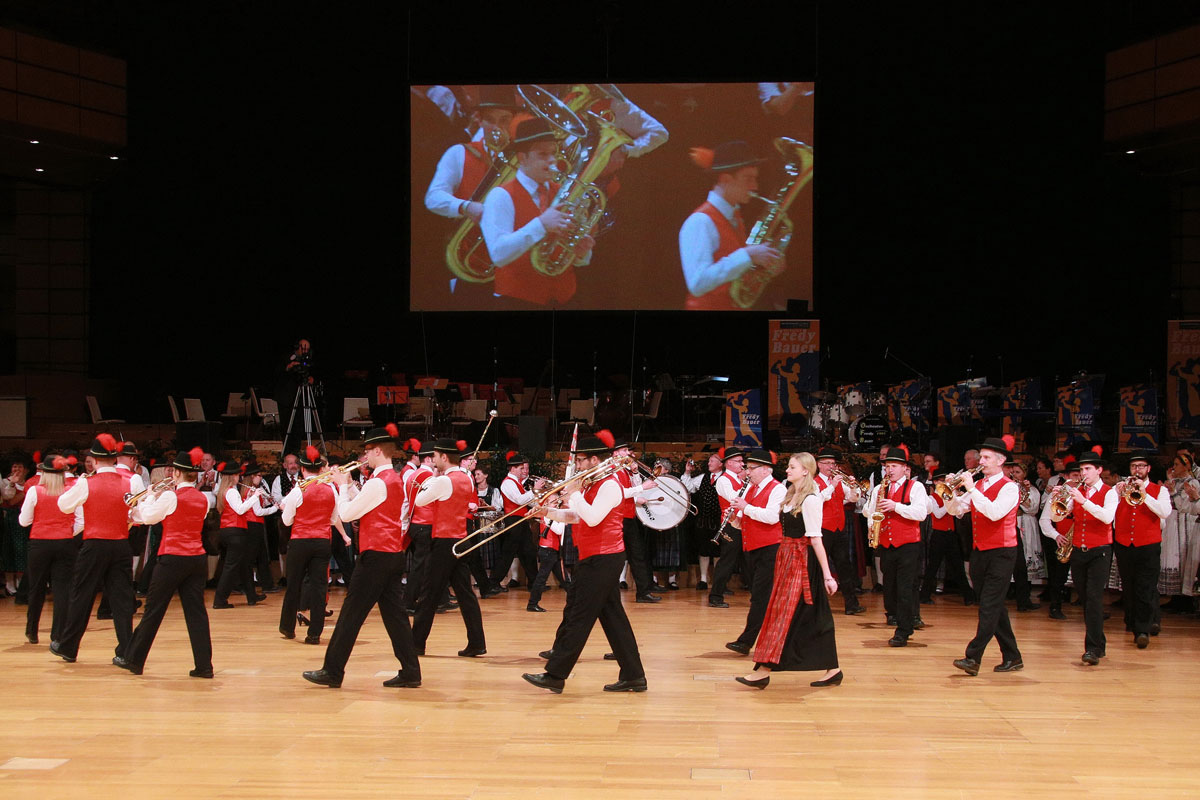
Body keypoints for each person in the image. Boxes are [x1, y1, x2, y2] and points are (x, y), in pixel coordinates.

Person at [522, 431, 646, 694]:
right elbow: (577, 517)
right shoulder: (590, 484)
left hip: (604, 557)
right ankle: (634, 675)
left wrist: (573, 493)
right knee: (613, 618)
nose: (576, 465)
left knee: (579, 615)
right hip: (594, 556)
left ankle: (555, 674)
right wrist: (548, 511)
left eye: (579, 461)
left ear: (593, 460)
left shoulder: (610, 484)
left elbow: (592, 517)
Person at [303, 425, 422, 689]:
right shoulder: (393, 479)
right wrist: (352, 488)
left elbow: (346, 515)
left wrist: (342, 487)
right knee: (395, 617)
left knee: (350, 615)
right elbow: (372, 506)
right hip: (391, 554)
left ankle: (332, 671)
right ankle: (411, 671)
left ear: (378, 451)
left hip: (375, 556)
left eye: (367, 451)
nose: (364, 456)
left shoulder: (379, 482)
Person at [736, 453, 840, 689]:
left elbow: (815, 539)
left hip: (802, 562)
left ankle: (764, 669)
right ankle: (832, 668)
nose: (787, 470)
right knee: (806, 616)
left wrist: (827, 575)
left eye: (792, 467)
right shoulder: (791, 495)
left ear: (806, 470)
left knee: (788, 614)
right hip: (787, 558)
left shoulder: (811, 499)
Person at [114, 447, 214, 678]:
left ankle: (134, 660)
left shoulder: (170, 496)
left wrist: (148, 495)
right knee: (196, 613)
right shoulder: (203, 498)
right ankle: (204, 666)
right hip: (197, 559)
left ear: (177, 473)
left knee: (154, 611)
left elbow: (149, 517)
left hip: (172, 559)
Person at [480, 117, 594, 307]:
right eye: (542, 154)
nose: (552, 161)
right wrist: (541, 224)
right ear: (522, 158)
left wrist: (582, 253)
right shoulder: (500, 196)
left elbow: (577, 258)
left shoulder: (564, 193)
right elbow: (498, 255)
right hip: (516, 302)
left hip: (565, 299)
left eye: (553, 153)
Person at [51, 435, 136, 663]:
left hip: (95, 544)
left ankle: (68, 646)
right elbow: (137, 513)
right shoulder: (131, 481)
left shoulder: (86, 482)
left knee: (82, 595)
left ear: (95, 461)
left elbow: (63, 505)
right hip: (121, 544)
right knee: (121, 599)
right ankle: (126, 650)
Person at [948, 437, 1024, 676]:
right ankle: (1012, 656)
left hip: (1002, 552)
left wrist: (970, 488)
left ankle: (973, 657)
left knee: (989, 606)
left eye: (987, 458)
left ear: (1001, 461)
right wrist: (949, 492)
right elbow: (957, 511)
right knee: (993, 605)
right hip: (980, 551)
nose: (981, 461)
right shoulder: (979, 486)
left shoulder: (1010, 487)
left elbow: (994, 513)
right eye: (981, 457)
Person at [679, 140, 782, 310]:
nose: (755, 186)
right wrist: (747, 255)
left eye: (755, 179)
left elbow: (732, 277)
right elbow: (697, 283)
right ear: (725, 179)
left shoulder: (734, 216)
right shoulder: (700, 222)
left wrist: (765, 268)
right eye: (748, 179)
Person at [411, 439, 487, 658]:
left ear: (444, 457)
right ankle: (477, 642)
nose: (433, 461)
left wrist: (433, 479)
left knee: (429, 594)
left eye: (435, 456)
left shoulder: (443, 481)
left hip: (444, 541)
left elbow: (419, 500)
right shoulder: (467, 478)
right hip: (460, 538)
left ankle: (416, 643)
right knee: (465, 594)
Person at [861, 444, 928, 647]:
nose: (889, 470)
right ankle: (897, 619)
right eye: (887, 466)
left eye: (894, 466)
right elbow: (867, 512)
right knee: (889, 586)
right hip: (887, 543)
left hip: (908, 545)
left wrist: (896, 506)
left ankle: (904, 630)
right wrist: (872, 515)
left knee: (906, 588)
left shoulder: (915, 487)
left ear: (905, 469)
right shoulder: (881, 488)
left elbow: (920, 513)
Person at [1056, 446, 1118, 665]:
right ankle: (1098, 643)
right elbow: (1059, 514)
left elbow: (1107, 517)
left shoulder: (1109, 492)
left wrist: (1084, 501)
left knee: (1093, 598)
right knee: (1086, 599)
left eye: (1088, 468)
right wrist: (1060, 499)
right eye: (1082, 469)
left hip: (1100, 551)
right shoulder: (1078, 490)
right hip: (1079, 551)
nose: (1084, 473)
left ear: (1099, 470)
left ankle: (1091, 649)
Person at [724, 450, 785, 656]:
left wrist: (745, 507)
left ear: (766, 469)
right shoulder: (751, 488)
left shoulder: (778, 489)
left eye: (752, 468)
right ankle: (770, 639)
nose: (747, 472)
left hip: (770, 549)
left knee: (760, 597)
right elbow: (744, 523)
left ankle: (746, 641)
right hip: (752, 548)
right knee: (760, 596)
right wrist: (733, 517)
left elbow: (771, 517)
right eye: (748, 468)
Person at [278, 446, 339, 645]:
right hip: (322, 541)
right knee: (319, 587)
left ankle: (288, 627)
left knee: (294, 585)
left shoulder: (299, 490)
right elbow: (333, 519)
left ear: (303, 469)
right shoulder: (331, 490)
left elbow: (286, 521)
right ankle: (314, 634)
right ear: (321, 468)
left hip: (300, 541)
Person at [19, 454, 81, 644]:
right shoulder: (71, 490)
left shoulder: (35, 491)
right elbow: (81, 520)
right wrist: (68, 531)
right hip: (64, 542)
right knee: (62, 589)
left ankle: (32, 630)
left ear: (43, 472)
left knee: (36, 587)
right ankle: (59, 634)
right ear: (64, 473)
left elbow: (24, 521)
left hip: (40, 542)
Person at [1113, 451, 1171, 647]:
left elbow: (1165, 512)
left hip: (1148, 545)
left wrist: (1144, 495)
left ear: (1148, 469)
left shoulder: (1159, 490)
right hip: (1124, 544)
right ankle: (1132, 622)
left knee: (1145, 588)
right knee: (1128, 587)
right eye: (1133, 466)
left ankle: (1143, 630)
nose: (1137, 470)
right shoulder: (1119, 489)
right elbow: (1110, 515)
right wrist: (1117, 494)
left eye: (1141, 466)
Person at [813, 448, 864, 614]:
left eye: (833, 463)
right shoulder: (813, 482)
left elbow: (852, 498)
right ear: (819, 465)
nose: (830, 466)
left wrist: (855, 488)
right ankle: (815, 605)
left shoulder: (840, 481)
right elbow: (818, 501)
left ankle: (852, 604)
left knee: (845, 566)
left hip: (839, 528)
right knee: (818, 567)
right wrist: (832, 485)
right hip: (822, 529)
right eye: (827, 463)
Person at [212, 462, 267, 609]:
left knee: (242, 565)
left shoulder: (226, 491)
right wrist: (255, 496)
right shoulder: (231, 491)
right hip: (235, 532)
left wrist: (248, 497)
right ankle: (219, 600)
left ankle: (251, 596)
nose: (239, 477)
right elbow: (240, 510)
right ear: (232, 476)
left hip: (228, 531)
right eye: (237, 474)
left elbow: (236, 507)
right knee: (231, 568)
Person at [612, 438, 660, 603]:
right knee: (618, 556)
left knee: (637, 555)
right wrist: (642, 488)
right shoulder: (612, 470)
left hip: (629, 517)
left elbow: (635, 490)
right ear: (615, 453)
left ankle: (643, 592)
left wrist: (634, 473)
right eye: (624, 451)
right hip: (618, 518)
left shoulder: (624, 470)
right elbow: (620, 493)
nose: (628, 454)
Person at [492, 451, 543, 591]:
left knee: (529, 552)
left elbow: (526, 502)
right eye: (521, 468)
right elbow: (520, 500)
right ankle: (493, 582)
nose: (523, 471)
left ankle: (534, 583)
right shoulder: (508, 483)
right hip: (513, 521)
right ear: (512, 468)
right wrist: (535, 490)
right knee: (508, 554)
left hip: (520, 520)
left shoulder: (516, 483)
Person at [708, 447, 746, 608]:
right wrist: (747, 482)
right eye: (739, 461)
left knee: (746, 559)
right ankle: (715, 596)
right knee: (727, 561)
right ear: (729, 463)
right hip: (730, 524)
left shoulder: (738, 479)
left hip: (741, 523)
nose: (742, 464)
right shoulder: (723, 480)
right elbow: (734, 498)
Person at [681, 453, 723, 589]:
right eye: (709, 461)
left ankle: (717, 580)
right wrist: (687, 472)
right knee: (703, 551)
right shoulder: (702, 478)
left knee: (718, 552)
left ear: (720, 463)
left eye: (712, 461)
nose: (709, 463)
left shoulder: (725, 479)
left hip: (719, 521)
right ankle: (703, 580)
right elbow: (687, 487)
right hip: (703, 521)